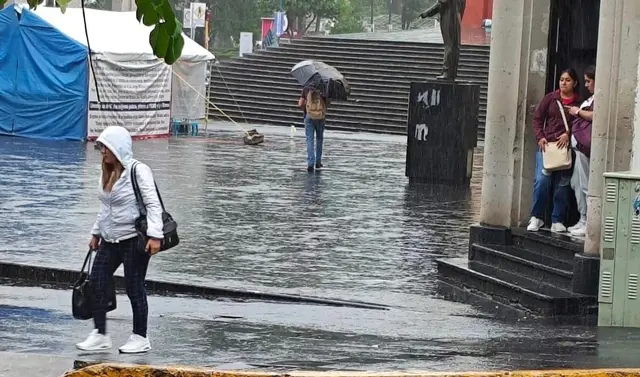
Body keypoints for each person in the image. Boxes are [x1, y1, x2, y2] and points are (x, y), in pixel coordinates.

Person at [76, 125, 163, 354]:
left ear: (119, 148)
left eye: (105, 147)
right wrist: (95, 233)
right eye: (101, 147)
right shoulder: (106, 171)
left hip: (134, 239)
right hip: (110, 239)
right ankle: (100, 334)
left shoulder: (138, 170)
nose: (102, 151)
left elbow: (153, 204)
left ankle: (140, 336)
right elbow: (105, 208)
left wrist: (155, 236)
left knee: (134, 287)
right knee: (96, 281)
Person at [527, 68, 581, 233]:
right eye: (561, 80)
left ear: (574, 83)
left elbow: (581, 124)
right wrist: (540, 137)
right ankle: (537, 217)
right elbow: (538, 118)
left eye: (568, 80)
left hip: (565, 149)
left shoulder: (579, 103)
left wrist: (568, 133)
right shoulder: (551, 99)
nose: (564, 83)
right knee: (541, 181)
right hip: (547, 147)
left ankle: (557, 219)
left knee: (563, 185)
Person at [565, 65, 595, 236]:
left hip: (585, 149)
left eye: (588, 81)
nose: (586, 85)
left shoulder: (598, 99)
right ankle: (582, 218)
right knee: (576, 183)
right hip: (578, 149)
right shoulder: (590, 99)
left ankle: (588, 221)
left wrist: (578, 112)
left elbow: (595, 115)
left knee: (585, 184)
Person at [419, 0, 466, 80]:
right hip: (456, 18)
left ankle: (447, 72)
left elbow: (441, 3)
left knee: (449, 46)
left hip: (448, 18)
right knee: (455, 46)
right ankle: (452, 73)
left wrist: (426, 13)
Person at [298, 84, 328, 172]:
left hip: (309, 116)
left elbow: (300, 104)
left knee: (309, 139)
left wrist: (305, 108)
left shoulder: (306, 88)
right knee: (319, 139)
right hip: (320, 117)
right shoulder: (324, 87)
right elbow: (327, 104)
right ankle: (318, 162)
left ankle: (310, 163)